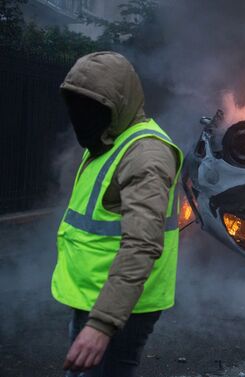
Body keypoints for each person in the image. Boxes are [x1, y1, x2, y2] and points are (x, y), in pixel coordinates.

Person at [51, 52, 183, 376]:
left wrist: (103, 324)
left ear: (118, 103)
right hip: (100, 297)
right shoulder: (109, 140)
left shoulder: (146, 154)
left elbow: (142, 243)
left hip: (119, 309)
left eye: (91, 106)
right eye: (74, 105)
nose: (78, 116)